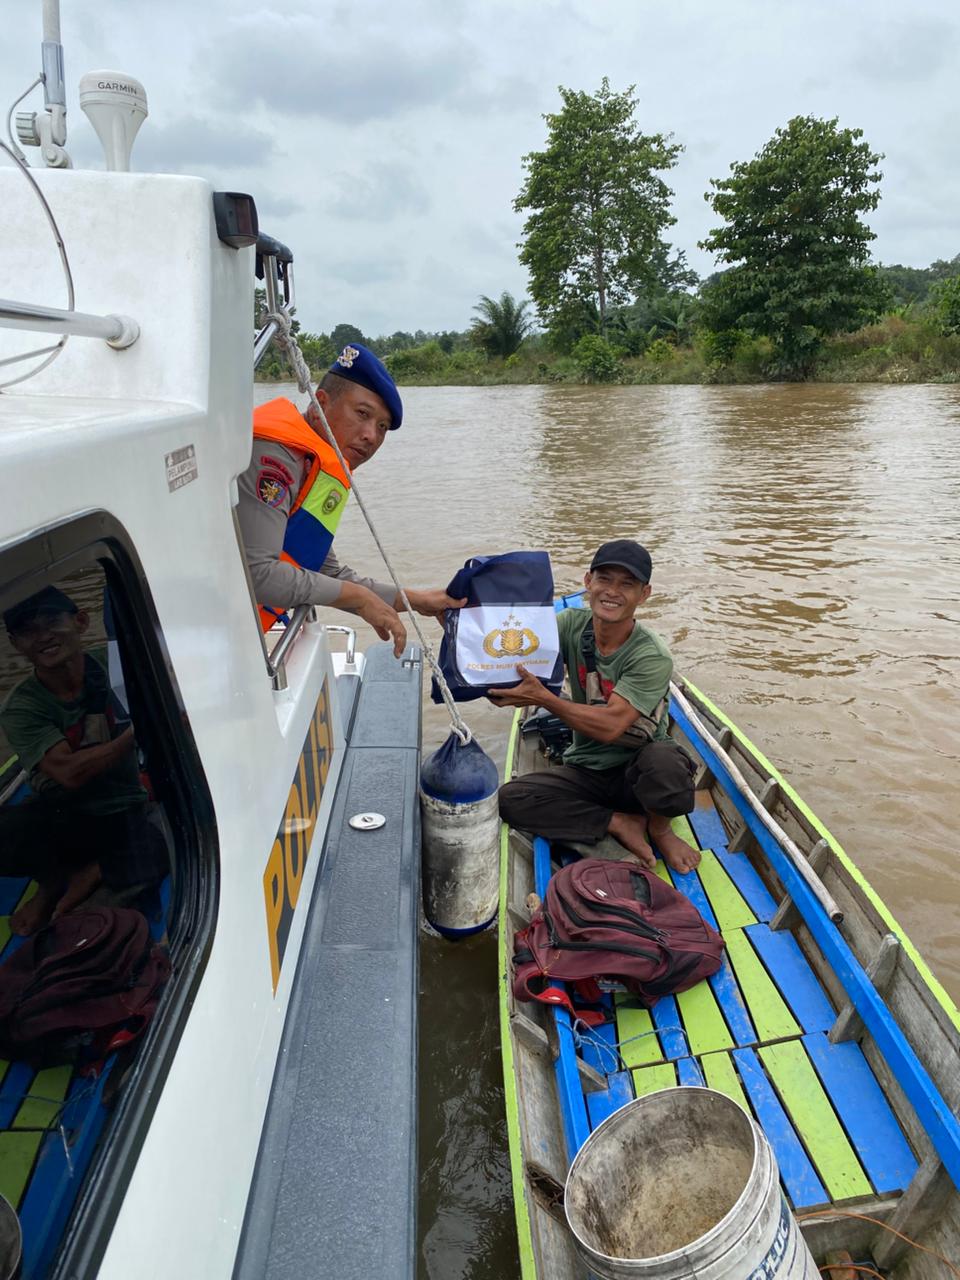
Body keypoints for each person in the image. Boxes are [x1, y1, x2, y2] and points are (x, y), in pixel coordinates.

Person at [237, 343, 463, 652]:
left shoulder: (316, 467)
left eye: (382, 427)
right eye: (362, 414)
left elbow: (324, 570)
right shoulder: (274, 459)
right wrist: (357, 599)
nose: (371, 435)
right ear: (320, 404)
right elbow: (258, 574)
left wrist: (414, 600)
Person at [492, 540, 701, 874]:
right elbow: (513, 655)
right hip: (586, 768)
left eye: (627, 584)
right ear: (588, 581)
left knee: (667, 764)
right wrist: (471, 647)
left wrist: (544, 699)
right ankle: (617, 823)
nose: (612, 592)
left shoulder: (651, 655)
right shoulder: (570, 626)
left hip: (638, 771)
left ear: (644, 594)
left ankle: (659, 829)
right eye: (605, 579)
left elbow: (611, 726)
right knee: (508, 800)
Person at [0, 587, 167, 934]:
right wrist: (141, 728)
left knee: (176, 837)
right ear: (16, 643)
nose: (43, 636)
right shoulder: (21, 706)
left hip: (125, 807)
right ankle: (55, 879)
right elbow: (69, 773)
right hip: (66, 812)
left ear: (80, 621)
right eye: (28, 631)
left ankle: (92, 871)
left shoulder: (117, 663)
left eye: (51, 622)